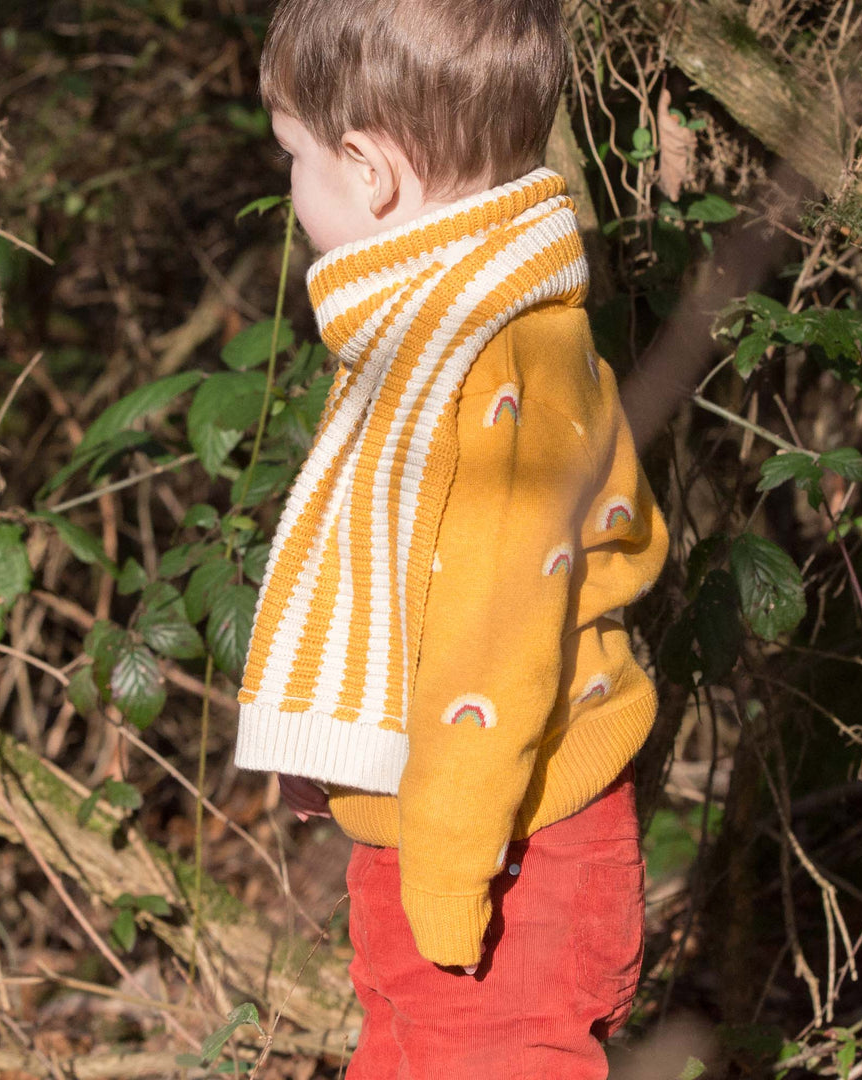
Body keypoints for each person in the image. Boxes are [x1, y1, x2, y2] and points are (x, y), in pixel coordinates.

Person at [233, 1, 669, 1075]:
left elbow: (495, 637)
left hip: (508, 850)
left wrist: (446, 866)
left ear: (369, 169)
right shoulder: (424, 329)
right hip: (439, 826)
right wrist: (328, 741)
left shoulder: (505, 359)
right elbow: (390, 576)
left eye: (294, 157)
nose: (293, 191)